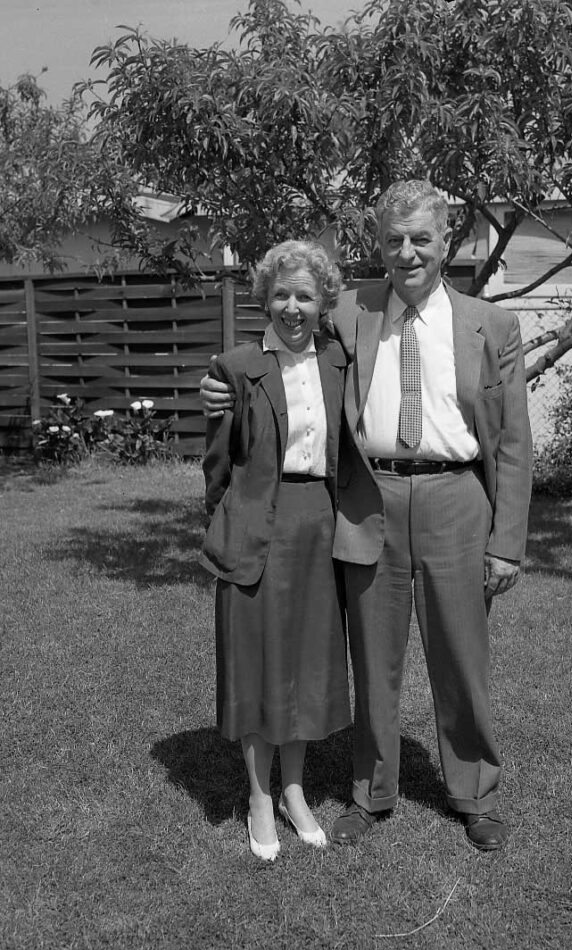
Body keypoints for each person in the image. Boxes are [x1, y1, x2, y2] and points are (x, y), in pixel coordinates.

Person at [201, 181, 532, 852]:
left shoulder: (491, 325)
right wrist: (221, 385)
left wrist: (506, 543)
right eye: (392, 240)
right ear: (377, 245)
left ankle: (473, 793)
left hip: (455, 497)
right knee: (371, 658)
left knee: (461, 656)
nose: (407, 253)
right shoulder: (349, 311)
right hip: (367, 497)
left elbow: (513, 443)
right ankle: (370, 792)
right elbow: (282, 341)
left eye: (420, 239)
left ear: (448, 242)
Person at [199, 239, 350, 862]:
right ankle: (259, 798)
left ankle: (295, 790)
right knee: (259, 663)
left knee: (307, 663)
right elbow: (215, 465)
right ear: (265, 297)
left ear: (323, 304)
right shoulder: (234, 367)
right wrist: (225, 521)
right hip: (256, 523)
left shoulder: (342, 360)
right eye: (282, 294)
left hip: (320, 525)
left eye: (305, 296)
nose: (293, 307)